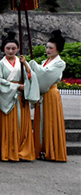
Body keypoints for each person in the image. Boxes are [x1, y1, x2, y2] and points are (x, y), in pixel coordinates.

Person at [0, 32, 38, 161]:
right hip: (8, 97)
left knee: (22, 125)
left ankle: (22, 151)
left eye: (14, 48)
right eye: (8, 48)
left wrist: (25, 64)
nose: (11, 51)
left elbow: (31, 76)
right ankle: (7, 151)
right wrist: (16, 87)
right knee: (7, 125)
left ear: (18, 49)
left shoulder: (21, 62)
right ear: (4, 49)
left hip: (20, 97)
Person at [28, 30, 68, 162]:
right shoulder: (46, 61)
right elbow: (39, 74)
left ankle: (52, 150)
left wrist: (33, 66)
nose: (48, 50)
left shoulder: (59, 63)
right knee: (41, 121)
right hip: (43, 94)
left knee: (50, 121)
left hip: (51, 94)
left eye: (51, 48)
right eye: (47, 47)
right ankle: (41, 148)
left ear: (58, 49)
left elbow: (45, 76)